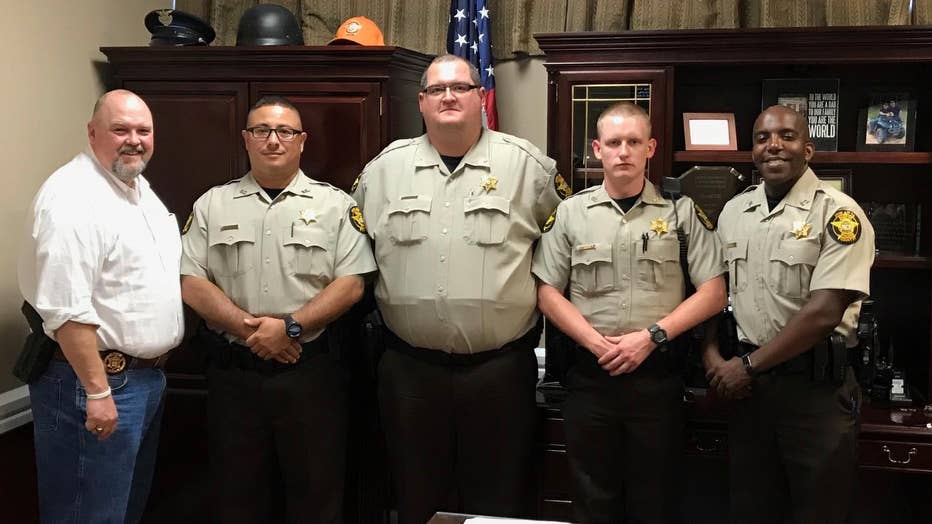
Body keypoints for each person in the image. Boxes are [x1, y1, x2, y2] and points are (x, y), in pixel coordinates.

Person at [352, 54, 567, 524]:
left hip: (498, 371)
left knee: (497, 502)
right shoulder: (384, 171)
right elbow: (355, 255)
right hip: (410, 370)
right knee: (415, 497)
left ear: (480, 98)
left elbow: (563, 252)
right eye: (437, 89)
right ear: (422, 102)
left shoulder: (528, 167)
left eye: (461, 87)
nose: (449, 96)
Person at [180, 95, 375, 523]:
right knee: (237, 496)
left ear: (302, 141)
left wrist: (289, 328)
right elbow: (190, 281)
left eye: (285, 131)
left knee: (317, 496)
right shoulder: (212, 204)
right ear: (246, 139)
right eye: (262, 131)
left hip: (310, 377)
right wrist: (253, 330)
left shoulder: (335, 206)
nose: (273, 140)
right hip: (234, 377)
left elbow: (352, 284)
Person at [533, 102, 726, 524]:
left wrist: (651, 337)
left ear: (651, 148)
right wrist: (592, 341)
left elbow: (713, 292)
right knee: (591, 499)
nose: (624, 151)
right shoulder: (570, 213)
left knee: (654, 501)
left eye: (634, 142)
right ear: (597, 149)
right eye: (614, 142)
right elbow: (547, 290)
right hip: (590, 379)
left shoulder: (681, 212)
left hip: (657, 381)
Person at [18, 89, 184, 523]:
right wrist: (98, 392)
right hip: (93, 385)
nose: (134, 139)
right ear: (92, 133)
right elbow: (66, 309)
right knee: (86, 515)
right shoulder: (75, 198)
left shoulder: (137, 189)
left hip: (141, 381)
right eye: (120, 129)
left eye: (143, 130)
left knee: (120, 511)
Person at [704, 105, 875, 524]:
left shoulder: (839, 214)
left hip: (814, 396)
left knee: (817, 514)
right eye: (762, 137)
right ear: (752, 151)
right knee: (749, 510)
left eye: (787, 136)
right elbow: (715, 292)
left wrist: (745, 366)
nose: (773, 145)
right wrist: (711, 356)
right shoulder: (734, 212)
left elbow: (824, 312)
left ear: (808, 149)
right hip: (750, 397)